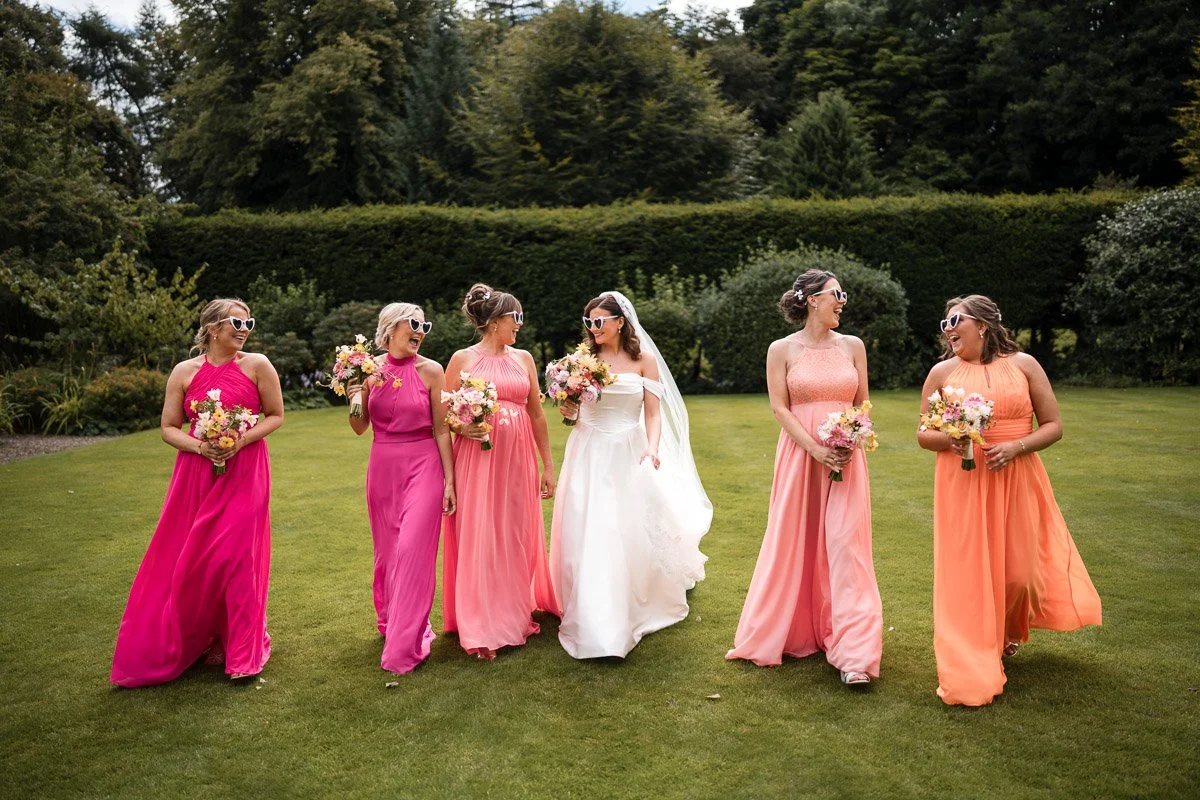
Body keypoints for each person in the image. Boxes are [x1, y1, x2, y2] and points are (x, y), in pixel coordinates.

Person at [917, 294, 1102, 706]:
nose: (947, 330)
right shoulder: (941, 373)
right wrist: (954, 438)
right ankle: (973, 654)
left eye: (955, 321)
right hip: (963, 483)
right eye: (944, 323)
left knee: (1020, 575)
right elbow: (922, 434)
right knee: (969, 573)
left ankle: (1007, 632)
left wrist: (1016, 446)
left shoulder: (1024, 366)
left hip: (1017, 477)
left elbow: (1053, 426)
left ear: (982, 325)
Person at [111, 299, 283, 686]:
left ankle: (243, 655)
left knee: (238, 557)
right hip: (195, 474)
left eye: (249, 321)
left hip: (246, 471)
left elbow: (276, 415)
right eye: (237, 321)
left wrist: (240, 440)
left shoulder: (258, 366)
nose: (245, 328)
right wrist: (200, 446)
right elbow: (169, 426)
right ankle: (198, 638)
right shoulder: (184, 372)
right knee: (192, 561)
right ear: (211, 328)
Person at [727, 270, 883, 687]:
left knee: (847, 546)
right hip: (801, 455)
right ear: (813, 300)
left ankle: (855, 654)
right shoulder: (782, 349)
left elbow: (862, 402)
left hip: (846, 459)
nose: (843, 302)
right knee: (795, 538)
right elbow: (780, 408)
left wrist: (852, 439)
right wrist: (815, 449)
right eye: (837, 294)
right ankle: (792, 628)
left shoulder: (854, 346)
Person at [549, 292, 710, 659]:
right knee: (590, 526)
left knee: (624, 527)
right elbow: (571, 416)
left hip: (628, 448)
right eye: (589, 322)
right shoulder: (580, 362)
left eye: (600, 320)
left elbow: (652, 414)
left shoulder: (644, 361)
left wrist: (652, 448)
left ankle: (629, 601)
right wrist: (569, 408)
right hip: (589, 451)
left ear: (620, 322)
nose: (593, 328)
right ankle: (595, 613)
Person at [441, 283, 560, 658]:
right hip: (477, 460)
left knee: (515, 532)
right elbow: (443, 417)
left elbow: (537, 414)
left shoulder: (524, 358)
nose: (520, 325)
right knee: (480, 533)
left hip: (518, 458)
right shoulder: (463, 359)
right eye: (516, 317)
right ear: (494, 322)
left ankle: (512, 611)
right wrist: (464, 426)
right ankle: (481, 624)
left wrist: (548, 466)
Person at [347, 303, 455, 674]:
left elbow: (442, 429)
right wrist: (354, 396)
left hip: (424, 464)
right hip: (383, 467)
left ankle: (405, 643)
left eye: (425, 324)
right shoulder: (369, 370)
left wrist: (450, 480)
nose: (421, 330)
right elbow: (359, 427)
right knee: (388, 553)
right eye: (414, 323)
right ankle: (391, 619)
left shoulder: (432, 371)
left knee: (411, 550)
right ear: (390, 328)